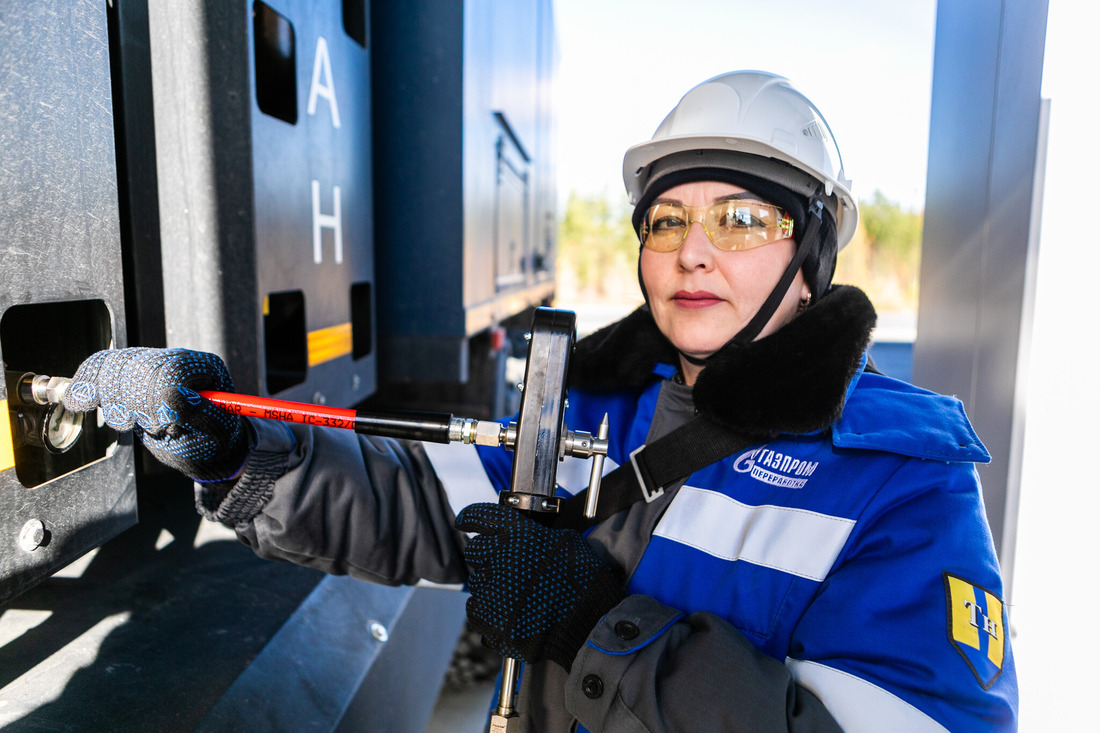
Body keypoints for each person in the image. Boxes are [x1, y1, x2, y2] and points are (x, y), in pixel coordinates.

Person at [63, 71, 1017, 731]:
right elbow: (417, 502)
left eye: (743, 218)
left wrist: (594, 625)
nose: (693, 249)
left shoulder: (902, 484)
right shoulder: (602, 409)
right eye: (669, 218)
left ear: (810, 256)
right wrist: (237, 449)